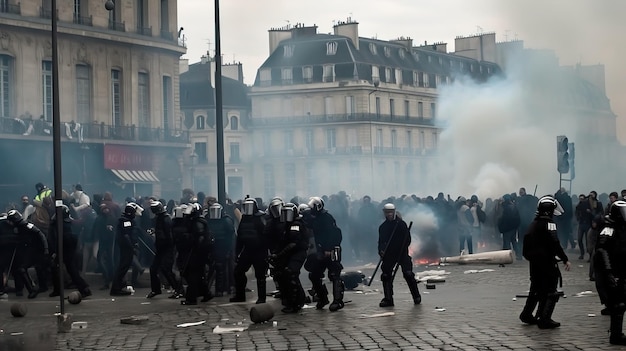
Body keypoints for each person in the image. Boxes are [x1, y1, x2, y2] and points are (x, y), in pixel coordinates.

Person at [519, 195, 571, 329]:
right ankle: (544, 318)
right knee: (550, 290)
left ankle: (527, 314)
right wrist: (564, 258)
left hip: (534, 262)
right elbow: (555, 243)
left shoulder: (534, 223)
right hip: (547, 262)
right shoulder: (550, 224)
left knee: (535, 289)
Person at [304, 196, 345, 311]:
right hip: (321, 251)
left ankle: (338, 301)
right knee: (314, 275)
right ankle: (323, 298)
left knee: (334, 275)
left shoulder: (327, 218)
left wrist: (328, 248)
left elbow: (335, 234)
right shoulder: (315, 218)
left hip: (331, 250)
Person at [377, 203, 421, 307]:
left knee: (408, 274)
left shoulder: (401, 224)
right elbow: (381, 242)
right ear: (384, 213)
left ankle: (416, 296)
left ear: (394, 212)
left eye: (391, 212)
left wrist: (402, 247)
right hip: (389, 254)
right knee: (386, 275)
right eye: (387, 212)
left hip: (402, 253)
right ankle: (388, 299)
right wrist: (381, 251)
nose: (389, 214)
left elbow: (408, 239)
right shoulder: (383, 227)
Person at [595, 200, 626, 345]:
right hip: (611, 271)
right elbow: (601, 250)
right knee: (617, 304)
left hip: (620, 268)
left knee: (621, 303)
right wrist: (609, 272)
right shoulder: (608, 229)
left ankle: (617, 334)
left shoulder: (620, 228)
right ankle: (616, 336)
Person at [268, 203, 308, 313]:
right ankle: (292, 299)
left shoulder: (296, 224)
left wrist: (279, 254)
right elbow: (282, 242)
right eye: (284, 213)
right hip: (289, 253)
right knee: (280, 274)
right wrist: (274, 254)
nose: (286, 215)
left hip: (298, 252)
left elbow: (293, 243)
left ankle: (294, 303)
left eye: (288, 213)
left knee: (290, 273)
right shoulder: (285, 225)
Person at [48, 205, 91, 298]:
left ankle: (59, 290)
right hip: (69, 246)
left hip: (62, 247)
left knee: (58, 267)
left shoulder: (57, 224)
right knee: (71, 269)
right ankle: (83, 288)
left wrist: (55, 251)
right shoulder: (70, 222)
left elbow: (55, 239)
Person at [230, 198, 268, 304]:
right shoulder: (244, 219)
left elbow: (266, 235)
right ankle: (240, 295)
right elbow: (240, 237)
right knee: (238, 272)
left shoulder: (260, 218)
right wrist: (237, 252)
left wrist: (266, 250)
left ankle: (261, 297)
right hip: (247, 250)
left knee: (260, 276)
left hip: (259, 251)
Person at [6, 209, 49, 298]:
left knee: (34, 268)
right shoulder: (19, 227)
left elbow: (41, 235)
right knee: (30, 268)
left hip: (37, 251)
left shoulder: (27, 226)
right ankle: (36, 288)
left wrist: (46, 249)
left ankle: (35, 289)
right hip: (30, 251)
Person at [146, 200, 181, 299]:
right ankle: (156, 289)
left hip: (166, 247)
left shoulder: (166, 219)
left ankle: (178, 289)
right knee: (154, 269)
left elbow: (169, 235)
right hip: (161, 247)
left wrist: (169, 247)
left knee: (166, 269)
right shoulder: (160, 218)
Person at [110, 202, 143, 296]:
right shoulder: (126, 221)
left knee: (124, 267)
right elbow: (126, 235)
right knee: (123, 267)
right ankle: (116, 288)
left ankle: (119, 286)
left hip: (126, 246)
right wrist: (132, 246)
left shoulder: (126, 220)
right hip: (126, 247)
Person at [206, 203, 236, 297]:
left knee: (221, 270)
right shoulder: (208, 220)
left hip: (222, 247)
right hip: (212, 247)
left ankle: (221, 289)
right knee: (215, 269)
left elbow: (230, 235)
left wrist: (228, 249)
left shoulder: (226, 220)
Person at [498, 194, 521, 259]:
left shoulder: (505, 207)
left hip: (507, 228)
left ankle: (507, 257)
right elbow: (518, 218)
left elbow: (503, 219)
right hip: (513, 228)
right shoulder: (514, 206)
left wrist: (501, 227)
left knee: (506, 243)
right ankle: (518, 255)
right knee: (514, 241)